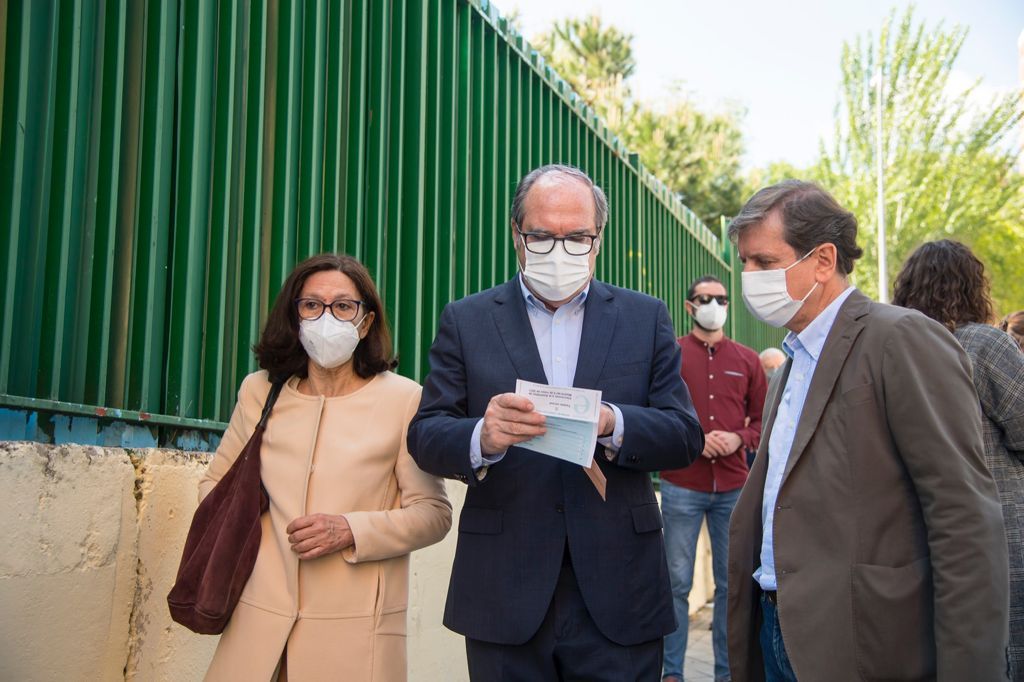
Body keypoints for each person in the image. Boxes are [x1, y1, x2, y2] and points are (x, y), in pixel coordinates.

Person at [407, 164, 704, 680]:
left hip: (620, 586)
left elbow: (683, 434)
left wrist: (613, 422)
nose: (559, 249)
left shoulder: (644, 317)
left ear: (598, 240)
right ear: (517, 236)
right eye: (542, 235)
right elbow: (427, 433)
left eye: (577, 236)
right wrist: (483, 435)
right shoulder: (468, 319)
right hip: (505, 586)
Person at [724, 180, 1008, 682]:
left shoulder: (899, 338)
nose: (748, 277)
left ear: (824, 260)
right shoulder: (792, 362)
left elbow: (962, 518)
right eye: (744, 262)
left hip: (860, 642)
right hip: (777, 628)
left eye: (764, 263)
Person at [199, 254, 452, 681]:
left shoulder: (404, 400)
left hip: (356, 639)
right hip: (257, 627)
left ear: (366, 322)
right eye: (311, 305)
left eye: (343, 306)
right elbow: (214, 486)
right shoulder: (260, 391)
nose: (326, 317)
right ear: (294, 316)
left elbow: (434, 514)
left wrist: (351, 530)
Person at [893, 239, 1024, 678]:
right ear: (973, 286)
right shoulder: (985, 344)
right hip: (998, 524)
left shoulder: (896, 348)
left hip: (914, 528)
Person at [660, 275, 767, 682]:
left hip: (734, 487)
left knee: (731, 587)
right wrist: (692, 440)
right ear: (690, 306)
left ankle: (727, 674)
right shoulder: (670, 355)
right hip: (681, 483)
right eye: (705, 299)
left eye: (721, 299)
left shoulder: (748, 360)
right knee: (675, 583)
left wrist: (738, 437)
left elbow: (761, 423)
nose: (714, 305)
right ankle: (672, 672)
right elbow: (659, 414)